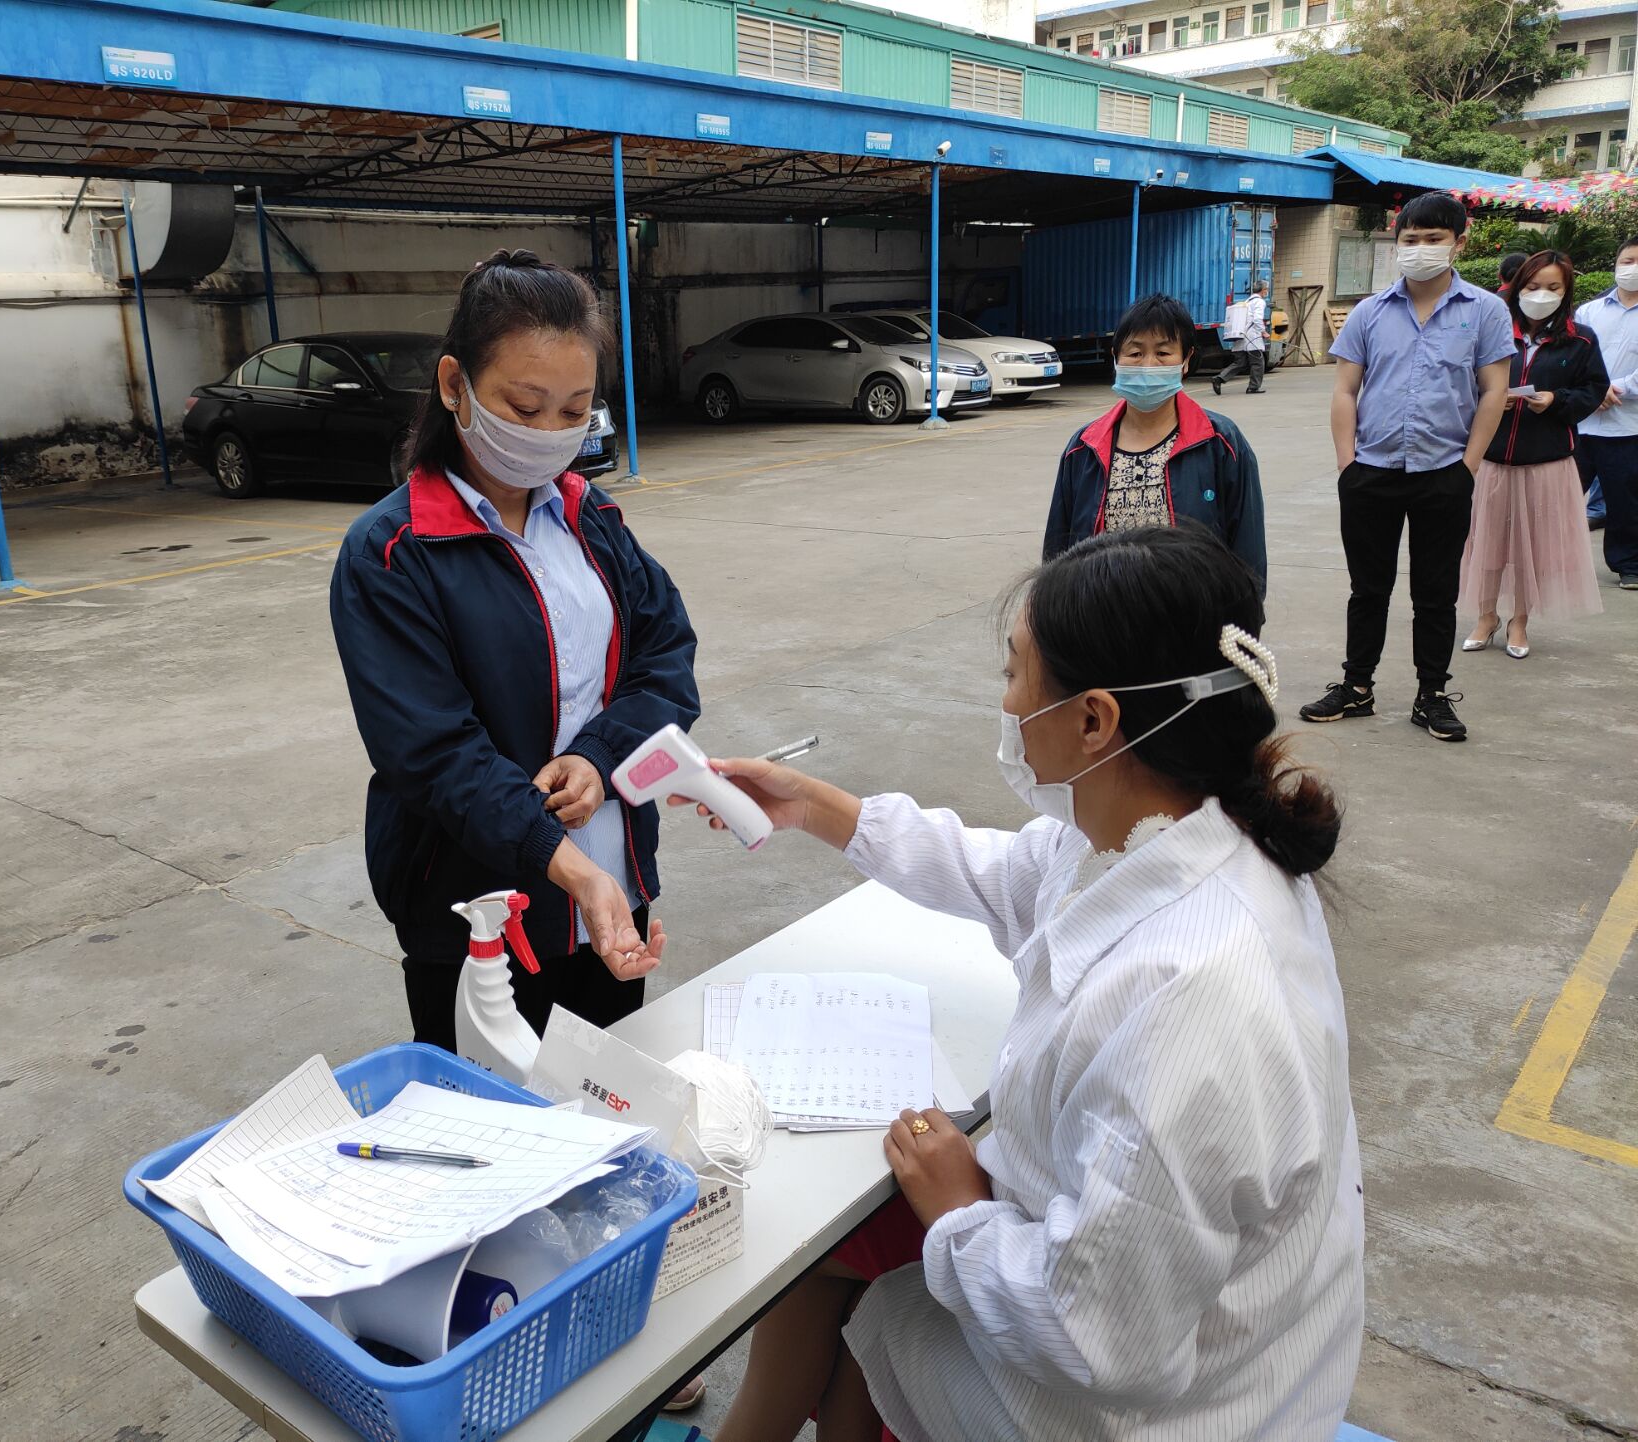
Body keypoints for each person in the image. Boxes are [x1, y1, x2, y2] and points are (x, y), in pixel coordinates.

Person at [695, 524, 1362, 1442]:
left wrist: (962, 1211)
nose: (1005, 700)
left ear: (1094, 720)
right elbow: (1005, 874)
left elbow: (1101, 1340)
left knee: (863, 1301)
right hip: (1137, 1288)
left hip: (1151, 1408)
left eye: (1015, 673)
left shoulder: (1194, 999)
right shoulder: (1168, 834)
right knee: (833, 1259)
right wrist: (813, 806)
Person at [329, 249, 700, 1052]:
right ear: (454, 384)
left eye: (575, 412)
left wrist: (600, 757)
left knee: (607, 1095)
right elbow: (433, 752)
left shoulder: (591, 518)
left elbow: (666, 658)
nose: (548, 435)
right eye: (525, 407)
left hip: (610, 893)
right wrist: (560, 859)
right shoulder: (393, 553)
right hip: (483, 912)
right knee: (494, 1111)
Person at [1298, 190, 1513, 743]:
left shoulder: (1484, 311)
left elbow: (1494, 391)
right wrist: (1347, 465)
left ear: (1459, 241)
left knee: (1436, 593)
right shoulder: (1370, 312)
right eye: (1411, 239)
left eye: (1434, 238)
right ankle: (1357, 687)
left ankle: (1431, 695)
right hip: (1371, 471)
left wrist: (1468, 466)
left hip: (1444, 472)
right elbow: (1345, 390)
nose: (1420, 249)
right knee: (1368, 589)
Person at [1044, 293, 1267, 590]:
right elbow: (1057, 553)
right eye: (1135, 353)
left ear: (1186, 360)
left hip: (1194, 616)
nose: (1148, 365)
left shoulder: (1221, 443)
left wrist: (1242, 614)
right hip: (1099, 614)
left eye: (1163, 353)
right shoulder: (1084, 448)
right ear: (1116, 357)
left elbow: (1248, 551)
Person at [1458, 250, 1607, 658]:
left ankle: (1519, 621)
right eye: (1533, 286)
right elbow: (1463, 381)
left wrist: (1557, 400)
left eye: (1553, 287)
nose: (1542, 295)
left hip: (1546, 463)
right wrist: (1492, 399)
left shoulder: (1581, 339)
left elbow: (1593, 390)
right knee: (1485, 544)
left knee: (1531, 551)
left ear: (1566, 290)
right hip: (1490, 459)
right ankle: (1486, 616)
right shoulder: (1493, 331)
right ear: (1517, 287)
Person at [1572, 235, 1638, 589]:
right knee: (1562, 497)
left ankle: (1628, 564)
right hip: (1581, 424)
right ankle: (1553, 560)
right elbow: (1573, 357)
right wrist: (1592, 391)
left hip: (1627, 426)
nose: (1632, 268)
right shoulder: (1589, 311)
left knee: (1625, 502)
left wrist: (1614, 389)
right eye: (1627, 261)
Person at [1212, 279, 1269, 396]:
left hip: (1240, 337)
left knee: (1240, 363)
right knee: (1257, 363)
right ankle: (1253, 387)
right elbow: (1257, 319)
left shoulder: (1246, 302)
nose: (1267, 292)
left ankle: (1219, 378)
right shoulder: (1259, 302)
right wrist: (1263, 332)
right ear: (1263, 290)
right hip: (1252, 339)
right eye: (1266, 289)